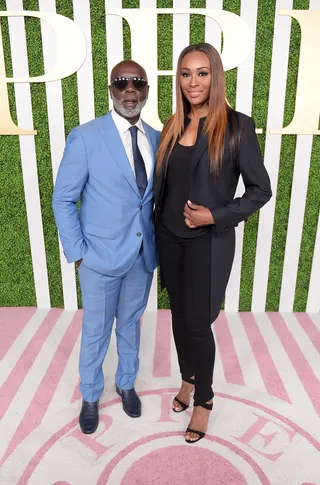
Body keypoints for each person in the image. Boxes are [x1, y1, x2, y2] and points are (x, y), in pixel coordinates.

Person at [154, 43, 272, 444]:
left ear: (216, 76)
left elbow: (260, 190)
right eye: (186, 74)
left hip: (206, 241)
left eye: (202, 73)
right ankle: (187, 379)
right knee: (176, 316)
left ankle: (203, 400)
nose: (193, 82)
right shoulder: (173, 124)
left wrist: (215, 214)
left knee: (198, 324)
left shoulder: (237, 126)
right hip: (169, 238)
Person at [53, 60, 160, 434]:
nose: (130, 89)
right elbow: (63, 199)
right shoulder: (86, 137)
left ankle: (126, 383)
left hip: (142, 256)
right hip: (98, 257)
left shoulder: (158, 137)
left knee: (131, 324)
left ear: (146, 90)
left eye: (138, 82)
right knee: (96, 329)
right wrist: (79, 253)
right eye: (121, 82)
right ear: (111, 89)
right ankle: (90, 394)